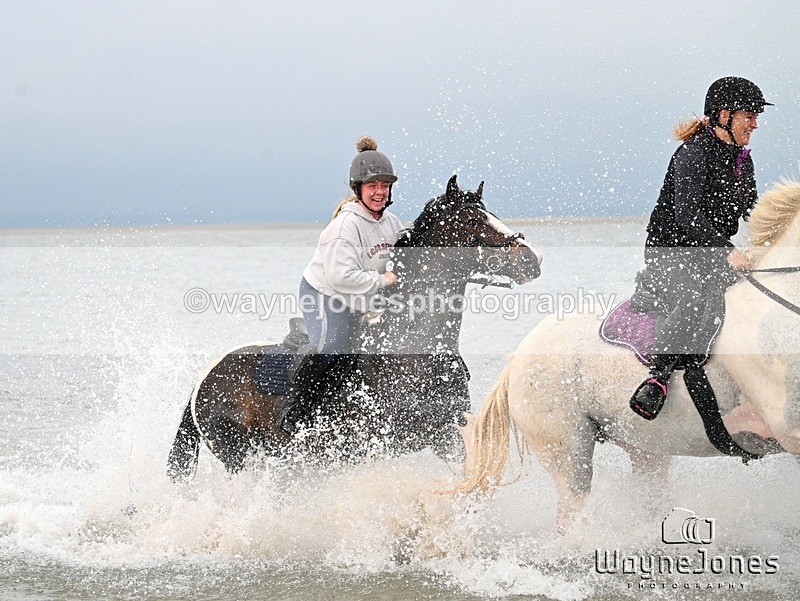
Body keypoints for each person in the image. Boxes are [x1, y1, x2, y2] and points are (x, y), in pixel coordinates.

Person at [629, 76, 772, 420]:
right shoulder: (692, 154)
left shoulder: (742, 161)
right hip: (672, 251)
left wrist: (771, 243)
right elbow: (687, 216)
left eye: (756, 116)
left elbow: (753, 212)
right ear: (724, 115)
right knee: (698, 296)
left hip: (710, 251)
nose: (755, 123)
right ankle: (658, 377)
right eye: (749, 115)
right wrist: (728, 251)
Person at [278, 135, 404, 434]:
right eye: (373, 186)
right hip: (325, 294)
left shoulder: (392, 223)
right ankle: (296, 406)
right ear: (358, 189)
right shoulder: (345, 226)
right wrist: (382, 280)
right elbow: (340, 277)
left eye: (384, 185)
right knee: (333, 344)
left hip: (361, 295)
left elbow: (403, 258)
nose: (379, 192)